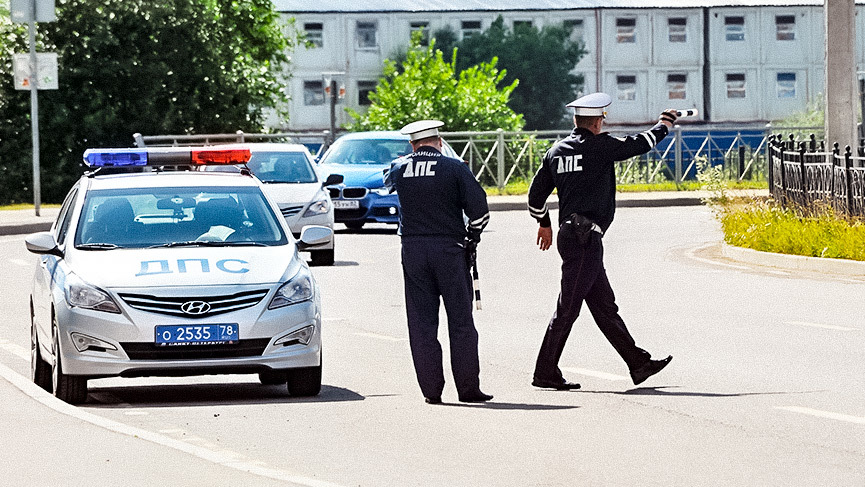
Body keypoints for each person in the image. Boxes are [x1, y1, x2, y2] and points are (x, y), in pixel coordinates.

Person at [528, 92, 677, 390]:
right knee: (568, 308)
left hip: (572, 236)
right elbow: (641, 143)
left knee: (604, 306)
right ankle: (544, 372)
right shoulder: (600, 146)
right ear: (597, 122)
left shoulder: (556, 152)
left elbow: (535, 198)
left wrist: (544, 223)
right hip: (585, 239)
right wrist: (664, 123)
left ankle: (638, 363)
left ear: (576, 121)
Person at [385, 119, 493, 404]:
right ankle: (468, 389)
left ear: (412, 144)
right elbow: (480, 211)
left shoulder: (399, 168)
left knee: (421, 323)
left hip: (412, 249)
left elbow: (388, 183)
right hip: (449, 249)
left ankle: (432, 391)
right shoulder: (454, 168)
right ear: (440, 141)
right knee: (460, 321)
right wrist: (473, 236)